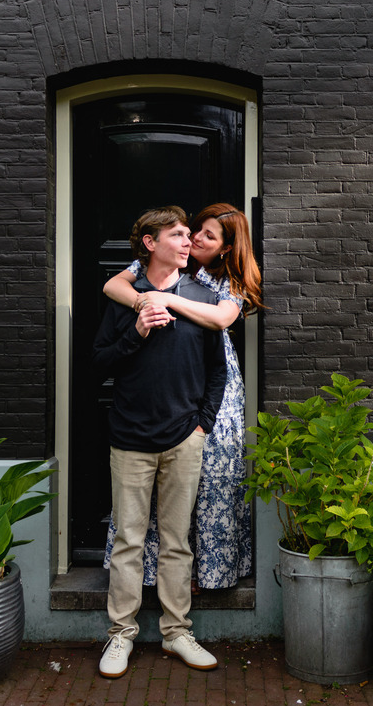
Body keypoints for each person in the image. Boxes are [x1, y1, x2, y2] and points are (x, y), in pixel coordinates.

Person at [92, 206, 227, 679]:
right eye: (177, 234)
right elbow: (99, 362)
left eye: (190, 234)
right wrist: (137, 332)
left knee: (176, 542)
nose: (188, 241)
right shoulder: (125, 299)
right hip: (130, 439)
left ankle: (176, 633)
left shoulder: (200, 296)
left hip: (183, 439)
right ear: (150, 243)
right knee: (129, 540)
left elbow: (217, 370)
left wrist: (201, 425)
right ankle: (121, 634)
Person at [101, 203, 264, 591]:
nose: (194, 239)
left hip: (212, 387)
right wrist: (146, 301)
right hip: (166, 381)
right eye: (194, 231)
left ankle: (207, 572)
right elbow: (112, 286)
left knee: (211, 484)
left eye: (208, 235)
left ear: (226, 247)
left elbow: (222, 318)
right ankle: (154, 571)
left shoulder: (231, 281)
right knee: (161, 486)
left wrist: (168, 301)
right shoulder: (168, 265)